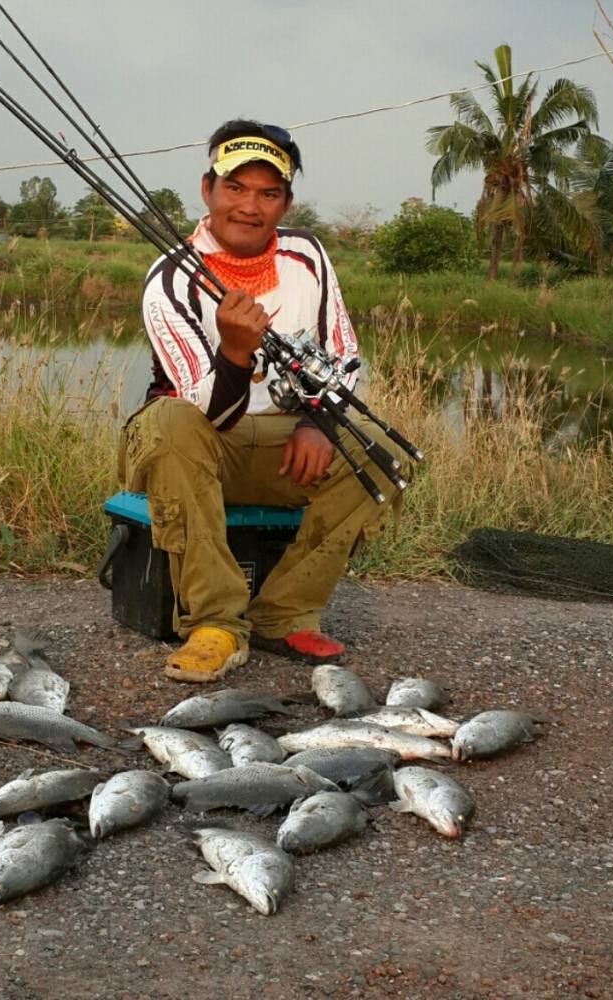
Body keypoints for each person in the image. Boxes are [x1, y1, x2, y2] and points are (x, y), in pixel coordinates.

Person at [119, 119, 392, 682]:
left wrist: (320, 421)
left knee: (381, 453)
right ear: (207, 191)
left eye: (268, 193)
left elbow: (343, 357)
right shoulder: (169, 277)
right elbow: (209, 412)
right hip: (192, 447)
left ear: (286, 202)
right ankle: (215, 624)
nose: (250, 206)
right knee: (170, 422)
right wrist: (236, 354)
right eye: (235, 188)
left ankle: (283, 612)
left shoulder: (308, 256)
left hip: (282, 445)